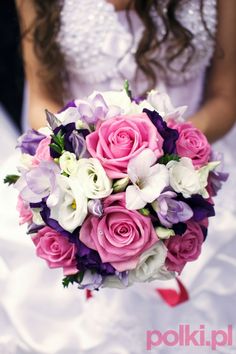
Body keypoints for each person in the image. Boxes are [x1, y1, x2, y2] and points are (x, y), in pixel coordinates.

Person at [0, 1, 236, 353]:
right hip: (77, 170)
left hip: (190, 173)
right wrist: (77, 164)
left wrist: (170, 154)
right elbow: (41, 98)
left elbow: (225, 97)